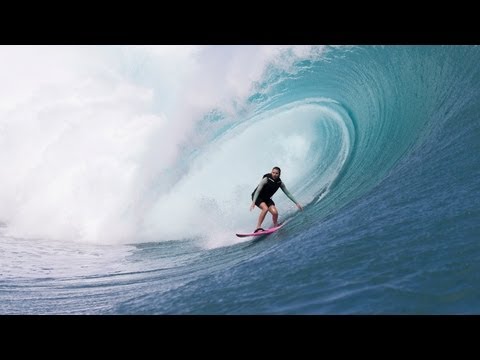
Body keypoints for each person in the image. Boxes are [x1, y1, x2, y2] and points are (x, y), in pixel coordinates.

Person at [250, 167, 303, 232]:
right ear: (271, 172)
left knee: (275, 213)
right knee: (265, 208)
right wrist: (253, 202)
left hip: (266, 199)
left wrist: (296, 203)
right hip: (257, 197)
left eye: (276, 173)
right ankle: (258, 227)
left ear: (279, 174)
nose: (274, 174)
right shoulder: (266, 179)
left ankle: (275, 225)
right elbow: (258, 191)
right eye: (273, 172)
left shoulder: (279, 183)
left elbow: (288, 193)